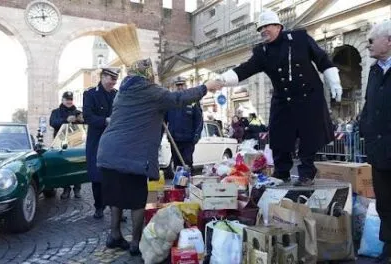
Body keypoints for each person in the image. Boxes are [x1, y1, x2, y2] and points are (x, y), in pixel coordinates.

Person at [96, 58, 223, 255]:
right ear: (148, 76)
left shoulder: (123, 92)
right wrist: (206, 86)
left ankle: (114, 235)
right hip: (132, 155)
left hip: (109, 151)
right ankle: (135, 242)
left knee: (117, 196)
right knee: (137, 200)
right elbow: (180, 98)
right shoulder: (152, 92)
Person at [219, 10, 343, 186]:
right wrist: (221, 80)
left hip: (308, 96)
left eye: (267, 26)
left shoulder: (299, 38)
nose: (263, 30)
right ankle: (281, 171)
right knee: (278, 136)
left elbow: (321, 58)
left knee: (309, 135)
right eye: (260, 28)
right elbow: (245, 69)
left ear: (278, 26)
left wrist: (334, 81)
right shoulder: (261, 52)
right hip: (283, 99)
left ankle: (307, 173)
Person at [359, 20, 391, 261]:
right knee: (385, 203)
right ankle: (388, 248)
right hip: (379, 150)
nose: (367, 45)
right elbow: (370, 105)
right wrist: (365, 130)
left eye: (371, 40)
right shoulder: (374, 70)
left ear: (388, 41)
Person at [83, 68, 119, 219]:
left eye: (115, 80)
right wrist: (105, 120)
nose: (113, 82)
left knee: (115, 176)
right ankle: (99, 207)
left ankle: (116, 209)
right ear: (103, 77)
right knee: (97, 176)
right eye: (111, 79)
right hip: (96, 141)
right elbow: (87, 116)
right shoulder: (90, 94)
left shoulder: (117, 94)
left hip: (114, 141)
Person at [164, 76, 203, 172]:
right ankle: (178, 186)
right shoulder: (170, 101)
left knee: (187, 163)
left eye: (182, 85)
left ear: (185, 86)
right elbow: (164, 120)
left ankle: (187, 185)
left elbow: (199, 120)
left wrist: (196, 136)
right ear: (174, 87)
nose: (180, 87)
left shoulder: (193, 101)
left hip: (188, 140)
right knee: (177, 165)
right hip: (174, 139)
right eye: (178, 85)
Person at [49, 91, 84, 199]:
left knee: (77, 165)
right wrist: (65, 120)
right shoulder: (56, 112)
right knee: (65, 166)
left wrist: (81, 120)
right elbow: (53, 123)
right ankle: (66, 189)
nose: (69, 101)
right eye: (67, 99)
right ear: (62, 100)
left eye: (70, 99)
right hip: (61, 142)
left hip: (76, 141)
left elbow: (85, 124)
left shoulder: (78, 112)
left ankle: (77, 189)